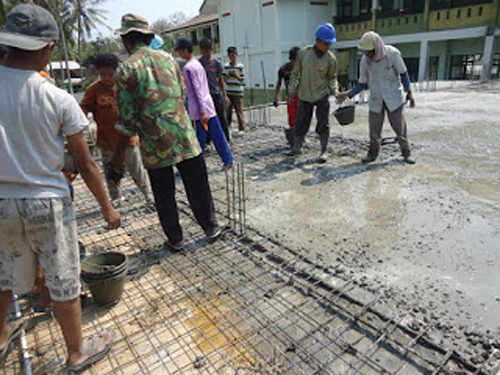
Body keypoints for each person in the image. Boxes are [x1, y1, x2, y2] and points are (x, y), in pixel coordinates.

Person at [0, 4, 120, 371]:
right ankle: (76, 353)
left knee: (3, 277)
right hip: (47, 203)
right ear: (49, 48)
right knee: (64, 281)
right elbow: (84, 164)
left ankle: (1, 337)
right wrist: (108, 209)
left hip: (2, 202)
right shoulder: (57, 98)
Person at [110, 13, 223, 251]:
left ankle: (176, 239)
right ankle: (211, 227)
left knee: (164, 194)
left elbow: (127, 121)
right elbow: (181, 95)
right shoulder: (169, 59)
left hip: (154, 143)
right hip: (184, 137)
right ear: (147, 37)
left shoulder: (126, 69)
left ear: (126, 40)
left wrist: (118, 158)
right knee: (198, 185)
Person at [81, 53, 153, 203]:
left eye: (110, 74)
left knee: (136, 169)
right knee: (111, 171)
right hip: (106, 140)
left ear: (116, 71)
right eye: (102, 74)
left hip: (128, 139)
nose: (107, 78)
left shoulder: (124, 86)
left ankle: (148, 195)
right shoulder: (94, 90)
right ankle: (116, 198)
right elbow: (83, 108)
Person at [338, 31, 416, 164]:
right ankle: (372, 154)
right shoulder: (364, 61)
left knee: (399, 127)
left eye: (370, 52)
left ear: (377, 48)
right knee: (374, 129)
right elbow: (362, 83)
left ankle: (406, 153)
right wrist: (348, 94)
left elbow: (403, 73)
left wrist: (409, 92)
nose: (368, 55)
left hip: (393, 97)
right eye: (366, 52)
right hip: (376, 98)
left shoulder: (393, 54)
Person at [175, 37, 233, 168]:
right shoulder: (197, 64)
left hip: (200, 110)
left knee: (199, 139)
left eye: (179, 51)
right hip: (208, 106)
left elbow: (196, 90)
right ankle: (227, 160)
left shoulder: (188, 68)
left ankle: (196, 166)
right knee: (214, 135)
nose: (179, 54)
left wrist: (201, 111)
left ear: (185, 51)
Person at [287, 23, 339, 163]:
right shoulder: (303, 54)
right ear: (318, 41)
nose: (329, 47)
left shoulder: (331, 59)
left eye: (330, 44)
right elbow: (295, 74)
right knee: (301, 123)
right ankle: (297, 147)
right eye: (327, 43)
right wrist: (292, 91)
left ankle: (323, 151)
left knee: (323, 124)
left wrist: (334, 89)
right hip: (304, 95)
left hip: (321, 95)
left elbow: (332, 77)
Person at [199, 38, 231, 143]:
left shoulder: (217, 63)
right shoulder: (199, 63)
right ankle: (208, 141)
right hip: (204, 96)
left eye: (207, 50)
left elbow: (221, 80)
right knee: (206, 118)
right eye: (203, 51)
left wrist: (225, 95)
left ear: (211, 50)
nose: (205, 53)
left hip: (216, 94)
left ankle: (226, 139)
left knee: (221, 117)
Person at [274, 46, 301, 146]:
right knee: (292, 119)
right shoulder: (283, 69)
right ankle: (293, 138)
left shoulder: (302, 68)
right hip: (291, 98)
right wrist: (276, 97)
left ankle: (302, 138)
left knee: (302, 118)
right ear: (291, 59)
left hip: (302, 96)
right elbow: (279, 84)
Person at [224, 46, 245, 135]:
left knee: (239, 111)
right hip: (229, 92)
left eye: (234, 55)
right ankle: (227, 128)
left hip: (238, 92)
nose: (233, 57)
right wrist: (229, 75)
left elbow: (242, 79)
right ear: (228, 56)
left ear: (236, 55)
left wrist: (236, 75)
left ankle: (241, 128)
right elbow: (224, 79)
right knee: (228, 111)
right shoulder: (226, 66)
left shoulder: (240, 66)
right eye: (231, 56)